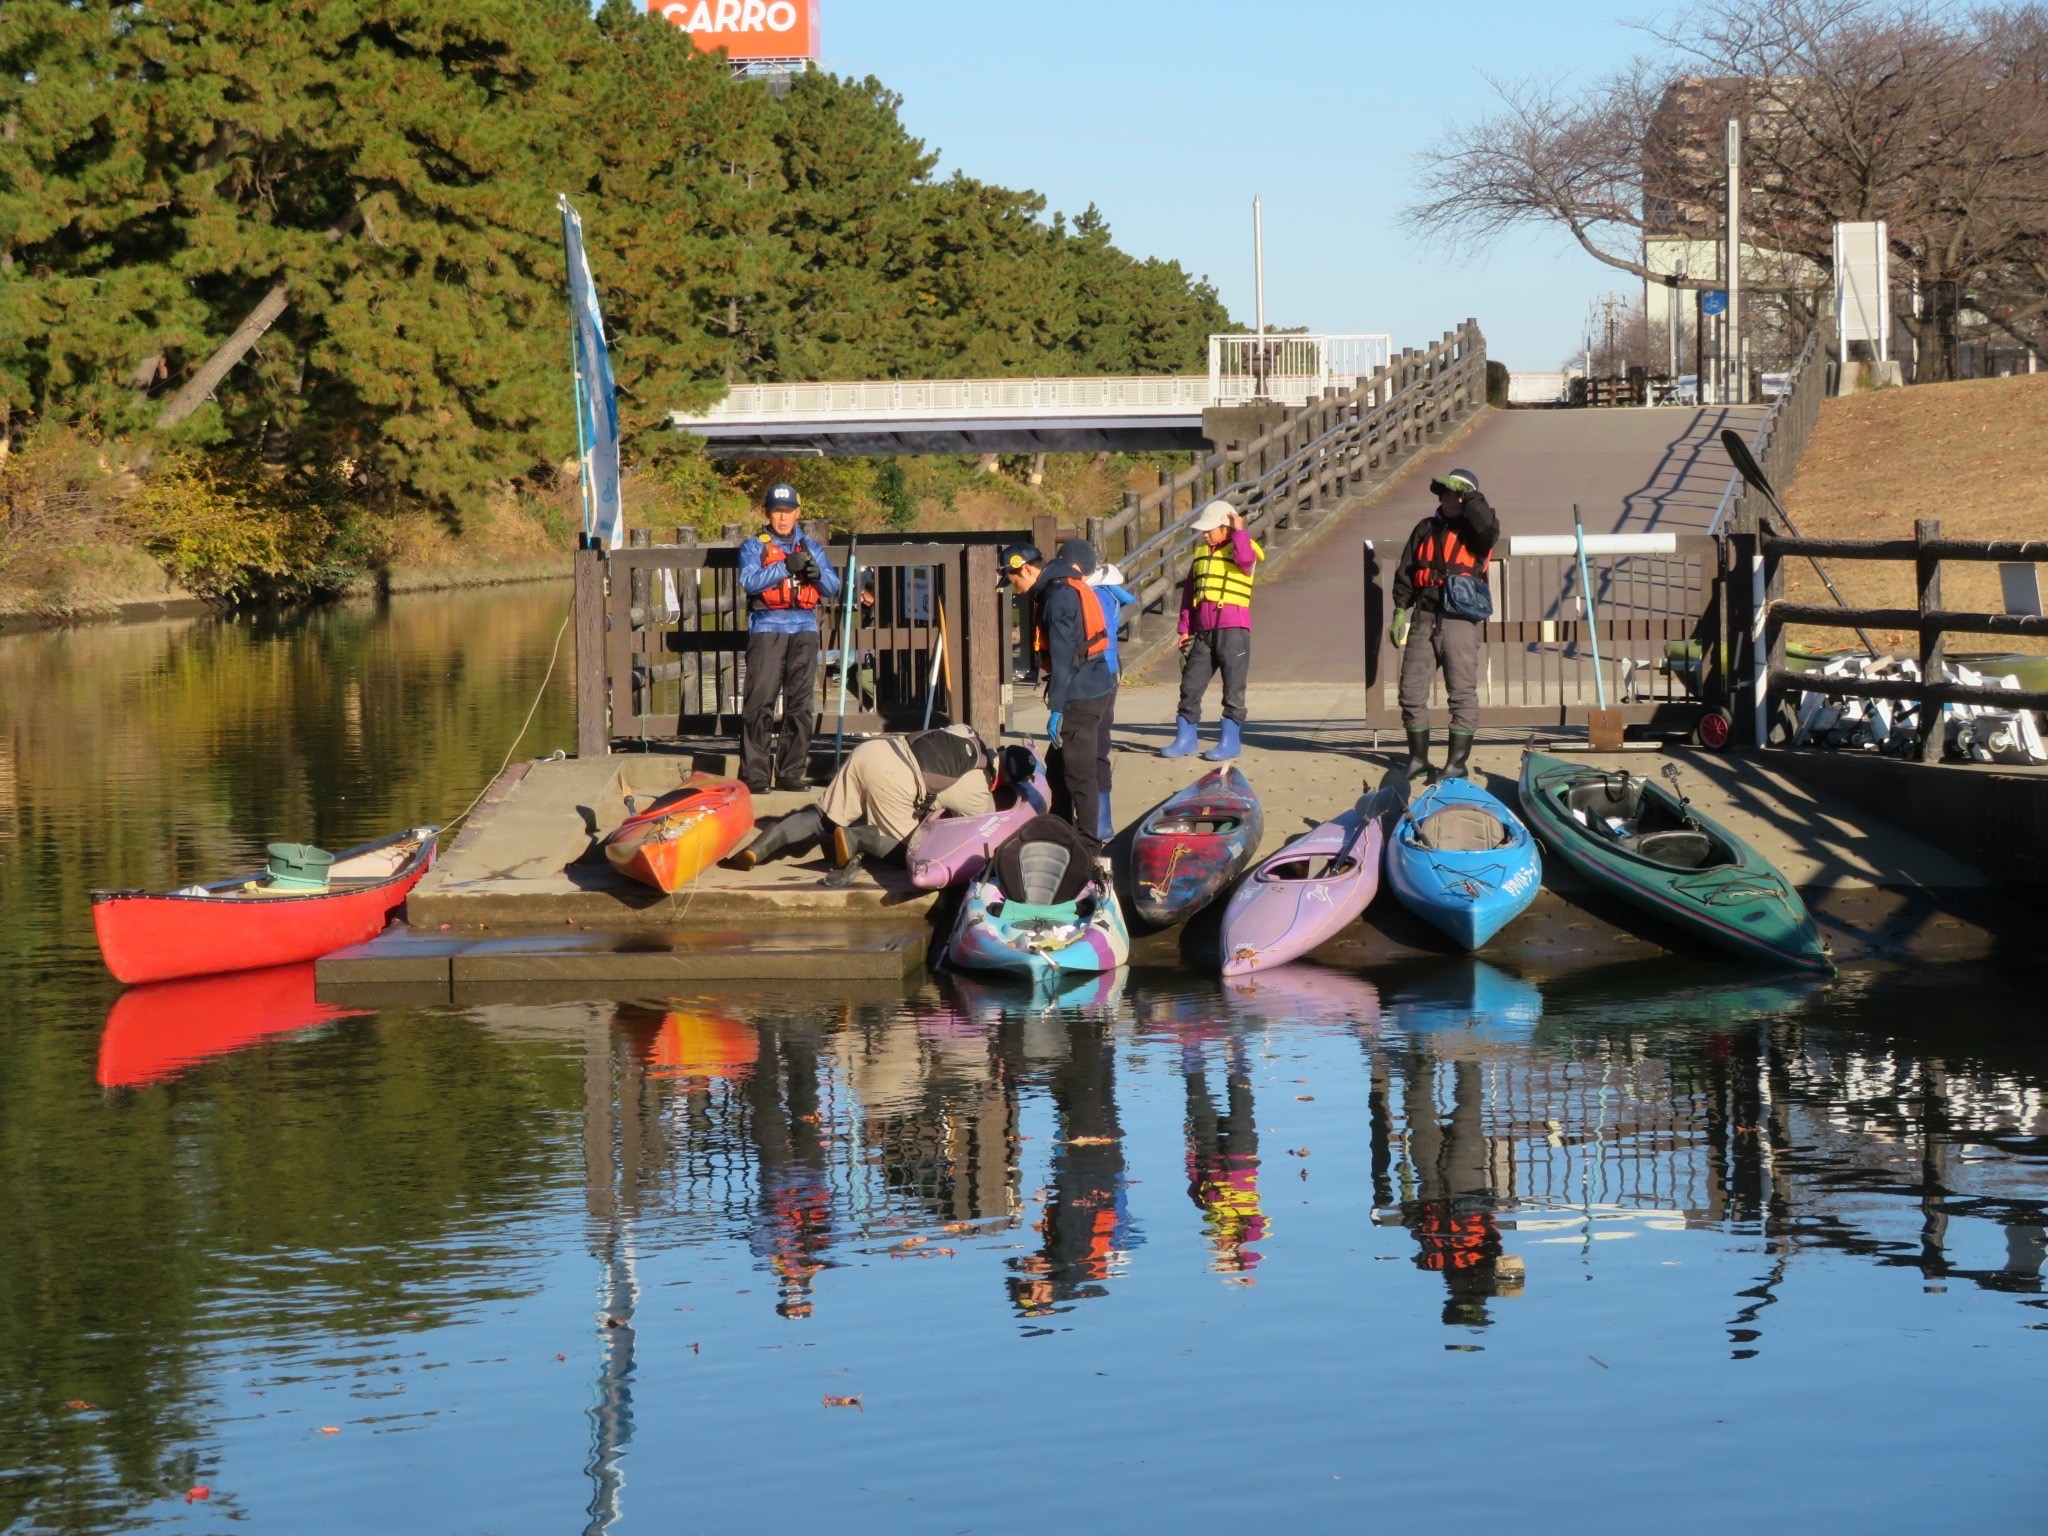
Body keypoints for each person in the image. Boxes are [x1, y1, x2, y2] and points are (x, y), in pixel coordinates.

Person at [727, 725, 1033, 888]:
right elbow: (978, 828)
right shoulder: (977, 790)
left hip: (876, 749)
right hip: (896, 780)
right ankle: (859, 838)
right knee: (909, 854)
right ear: (1003, 778)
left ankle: (757, 849)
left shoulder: (966, 731)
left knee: (821, 817)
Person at [1000, 541, 1116, 854]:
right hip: (1094, 683)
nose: (1017, 588)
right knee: (1056, 765)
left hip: (1083, 692)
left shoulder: (1057, 597)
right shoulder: (1060, 584)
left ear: (1026, 568)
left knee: (1078, 772)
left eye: (1015, 580)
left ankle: (1090, 846)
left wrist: (1057, 708)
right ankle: (1062, 827)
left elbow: (1064, 657)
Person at [1390, 467, 1499, 782]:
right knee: (1410, 691)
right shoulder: (1425, 527)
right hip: (1424, 616)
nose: (1449, 498)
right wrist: (1400, 609)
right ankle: (1417, 759)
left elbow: (1487, 528)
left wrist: (1471, 494)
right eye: (1446, 493)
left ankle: (1456, 764)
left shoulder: (1477, 528)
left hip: (1459, 621)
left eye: (1456, 493)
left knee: (1461, 693)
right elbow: (1407, 570)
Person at [736, 483, 842, 794]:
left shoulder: (813, 548)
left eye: (788, 512)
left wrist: (815, 572)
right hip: (767, 628)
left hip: (805, 630)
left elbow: (832, 587)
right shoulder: (753, 546)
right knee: (760, 702)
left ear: (798, 512)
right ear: (767, 513)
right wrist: (785, 566)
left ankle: (790, 773)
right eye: (777, 512)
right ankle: (755, 775)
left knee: (800, 706)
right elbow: (749, 581)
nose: (783, 518)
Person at [1161, 499, 1263, 762]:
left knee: (1233, 688)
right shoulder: (1201, 554)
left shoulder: (1244, 547)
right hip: (1204, 631)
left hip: (1234, 631)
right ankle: (1186, 739)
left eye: (1210, 529)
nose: (1204, 534)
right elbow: (1189, 595)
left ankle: (1230, 741)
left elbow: (1244, 560)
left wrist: (1240, 529)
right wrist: (1185, 628)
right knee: (1190, 684)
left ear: (1225, 528)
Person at [1058, 537, 1133, 843]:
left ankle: (1095, 823)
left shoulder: (1089, 594)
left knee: (1089, 752)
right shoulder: (1111, 595)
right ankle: (1102, 819)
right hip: (1111, 673)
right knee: (1100, 746)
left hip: (1094, 679)